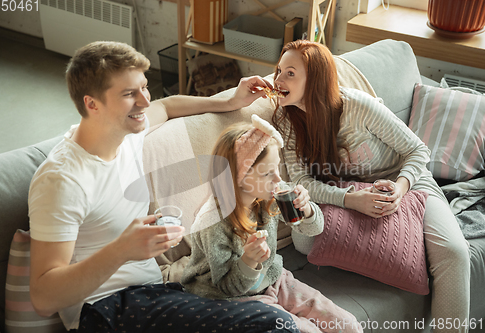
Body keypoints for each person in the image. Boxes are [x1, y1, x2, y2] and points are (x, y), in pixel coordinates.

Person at [27, 41, 301, 333]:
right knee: (272, 325)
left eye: (143, 87)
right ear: (92, 104)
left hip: (155, 292)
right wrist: (121, 250)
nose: (144, 101)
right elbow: (44, 297)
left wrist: (230, 102)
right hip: (105, 311)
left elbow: (166, 106)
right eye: (129, 94)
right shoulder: (60, 180)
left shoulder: (126, 132)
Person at [266, 39, 470, 333]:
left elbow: (418, 151)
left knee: (454, 252)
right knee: (304, 239)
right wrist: (351, 199)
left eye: (290, 73)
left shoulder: (357, 107)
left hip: (407, 182)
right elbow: (301, 182)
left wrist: (400, 189)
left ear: (315, 81)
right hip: (351, 195)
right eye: (278, 71)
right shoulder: (287, 120)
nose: (278, 79)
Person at [181, 114, 363, 333]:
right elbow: (228, 286)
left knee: (348, 326)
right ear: (239, 177)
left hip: (274, 278)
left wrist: (307, 209)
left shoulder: (271, 194)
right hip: (234, 298)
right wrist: (248, 261)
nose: (278, 180)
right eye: (267, 173)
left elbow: (315, 229)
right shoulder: (214, 222)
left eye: (278, 168)